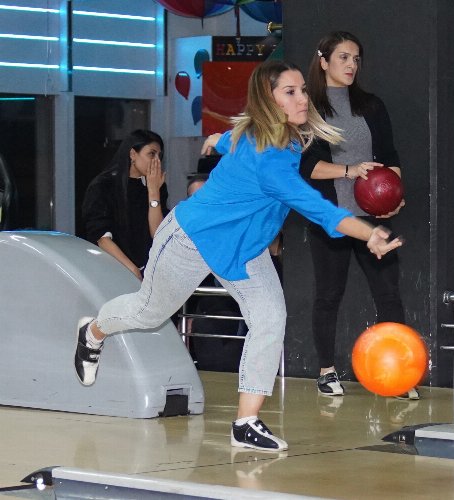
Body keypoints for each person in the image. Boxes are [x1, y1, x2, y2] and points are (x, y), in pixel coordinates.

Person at [73, 60, 402, 452]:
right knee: (149, 313)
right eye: (290, 92)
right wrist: (369, 232)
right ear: (270, 101)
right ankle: (92, 331)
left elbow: (235, 138)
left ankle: (246, 422)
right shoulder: (271, 163)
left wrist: (217, 139)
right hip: (192, 239)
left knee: (270, 317)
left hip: (245, 249)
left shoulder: (277, 137)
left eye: (302, 90)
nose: (302, 98)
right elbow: (319, 210)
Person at [301, 31, 417, 400]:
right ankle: (326, 371)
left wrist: (393, 199)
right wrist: (349, 170)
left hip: (373, 219)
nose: (351, 65)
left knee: (389, 294)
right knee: (329, 295)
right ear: (324, 61)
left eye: (356, 59)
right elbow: (306, 167)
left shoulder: (371, 105)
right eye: (343, 58)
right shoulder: (309, 109)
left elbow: (390, 157)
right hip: (331, 219)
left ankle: (398, 374)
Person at [81, 129, 168, 281]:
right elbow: (101, 237)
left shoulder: (156, 185)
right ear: (133, 154)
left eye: (159, 156)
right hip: (111, 271)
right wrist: (132, 269)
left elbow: (158, 233)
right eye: (151, 154)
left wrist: (154, 192)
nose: (157, 161)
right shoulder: (104, 185)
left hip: (150, 271)